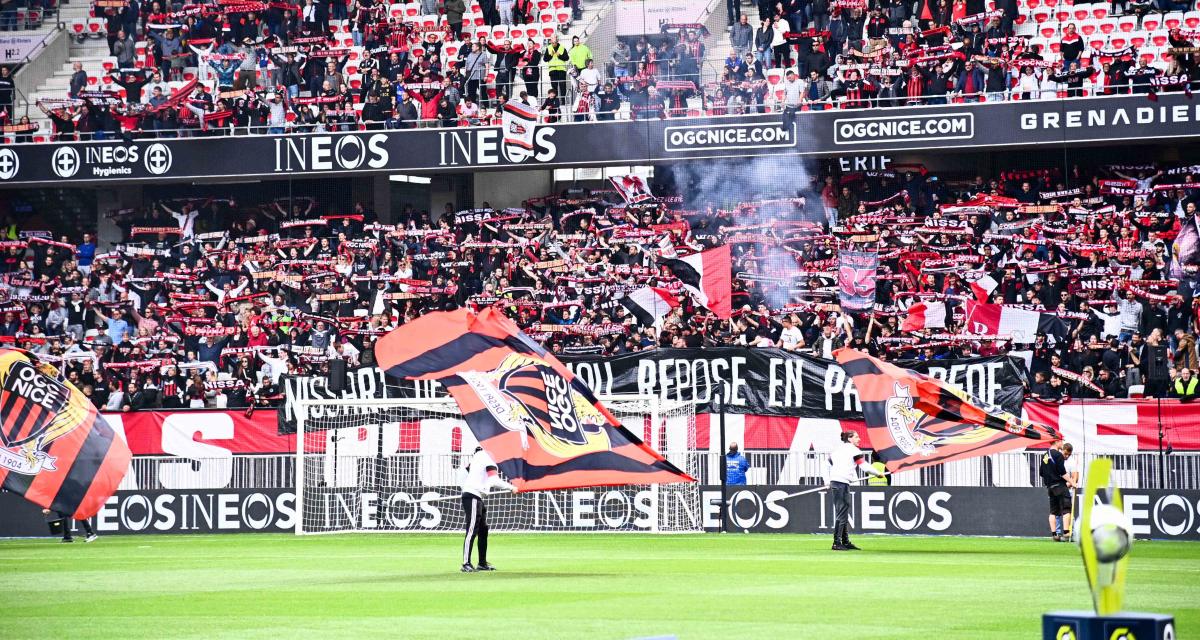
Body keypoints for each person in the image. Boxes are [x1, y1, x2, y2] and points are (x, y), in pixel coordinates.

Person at [459, 446, 515, 572]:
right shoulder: (488, 457)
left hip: (476, 495)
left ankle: (482, 563)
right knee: (472, 529)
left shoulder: (477, 458)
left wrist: (465, 487)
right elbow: (494, 480)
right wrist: (511, 487)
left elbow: (463, 472)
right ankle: (465, 563)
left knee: (483, 529)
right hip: (473, 496)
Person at [828, 430, 886, 550]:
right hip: (841, 483)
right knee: (841, 513)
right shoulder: (854, 450)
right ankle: (836, 543)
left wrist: (826, 480)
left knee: (843, 512)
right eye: (856, 437)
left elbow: (826, 464)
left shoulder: (836, 451)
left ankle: (845, 541)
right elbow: (864, 466)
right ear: (849, 439)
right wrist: (878, 473)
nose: (859, 439)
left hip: (838, 482)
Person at [1039, 441, 1074, 541]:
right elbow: (1062, 472)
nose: (1062, 443)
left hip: (1050, 487)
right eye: (1061, 441)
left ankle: (1055, 535)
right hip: (1060, 485)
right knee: (1066, 508)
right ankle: (1066, 533)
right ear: (1057, 442)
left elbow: (1041, 473)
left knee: (1053, 511)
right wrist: (1073, 482)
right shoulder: (1058, 455)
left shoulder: (1044, 455)